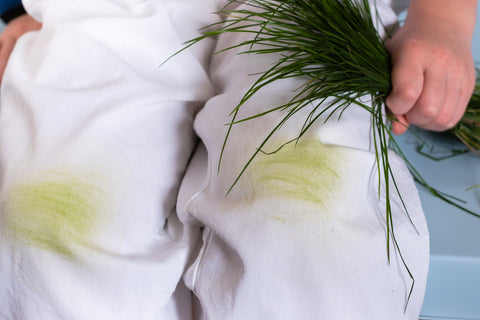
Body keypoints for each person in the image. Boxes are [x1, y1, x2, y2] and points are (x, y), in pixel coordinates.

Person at [0, 0, 476, 319]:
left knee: (311, 226)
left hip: (309, 12)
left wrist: (442, 22)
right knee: (49, 230)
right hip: (113, 12)